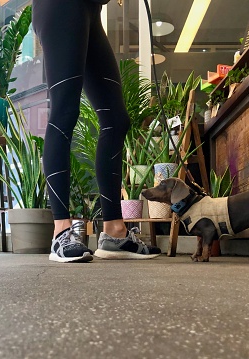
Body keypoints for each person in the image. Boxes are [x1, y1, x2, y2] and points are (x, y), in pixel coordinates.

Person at [32, 0, 161, 263]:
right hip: (60, 6)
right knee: (65, 111)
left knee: (117, 119)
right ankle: (61, 231)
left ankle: (115, 231)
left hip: (90, 9)